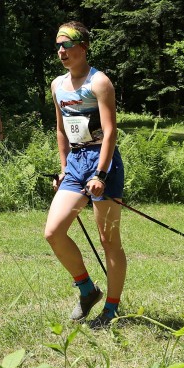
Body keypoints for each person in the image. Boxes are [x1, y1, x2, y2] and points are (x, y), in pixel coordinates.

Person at [44, 21, 127, 329]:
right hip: (76, 163)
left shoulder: (99, 82)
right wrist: (64, 168)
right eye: (58, 46)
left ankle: (111, 309)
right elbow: (61, 129)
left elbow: (110, 132)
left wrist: (101, 174)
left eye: (67, 44)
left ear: (83, 47)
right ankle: (87, 289)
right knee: (53, 232)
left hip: (101, 162)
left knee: (108, 241)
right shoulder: (57, 85)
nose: (62, 51)